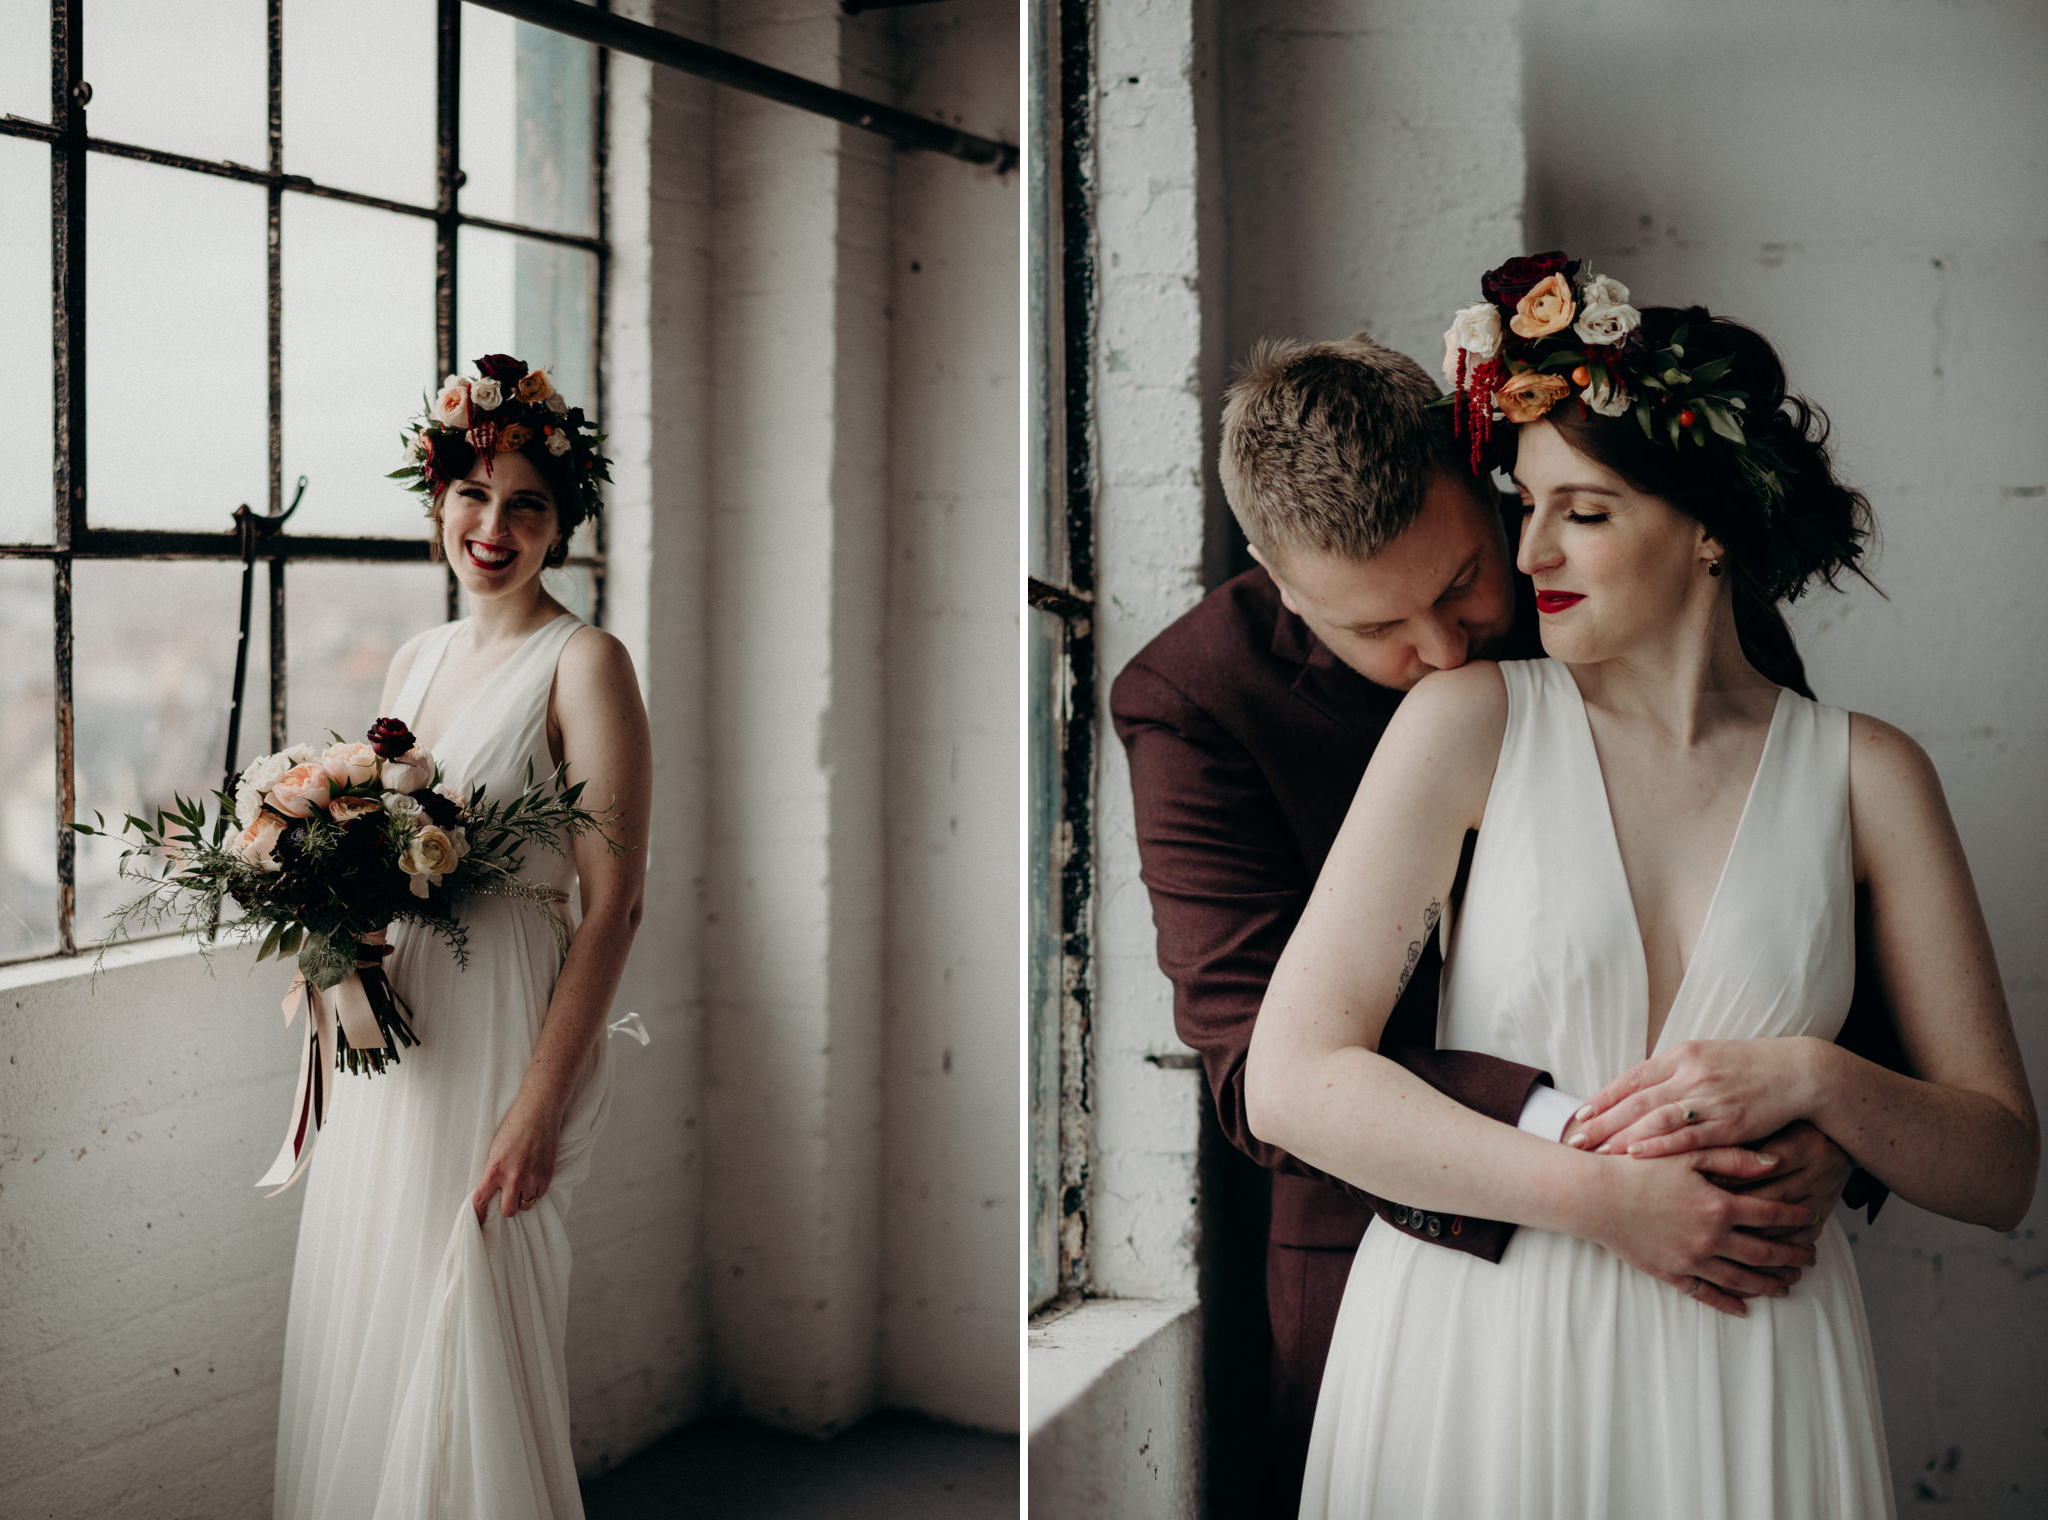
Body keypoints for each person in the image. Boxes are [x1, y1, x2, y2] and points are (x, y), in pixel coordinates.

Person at [1245, 260, 2039, 1517]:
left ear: (1706, 523)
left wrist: (1818, 1080)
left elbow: (1999, 1165)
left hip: (1753, 1357)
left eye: (1586, 511)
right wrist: (1615, 1200)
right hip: (1481, 1340)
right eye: (1526, 504)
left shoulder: (1868, 776)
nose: (1529, 548)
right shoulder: (1467, 724)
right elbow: (1289, 1077)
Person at [1111, 330, 1892, 1515]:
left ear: (1484, 488)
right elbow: (1250, 1063)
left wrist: (1828, 1121)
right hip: (1407, 1255)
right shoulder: (1192, 701)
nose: (1434, 651)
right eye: (1372, 629)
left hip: (1732, 1259)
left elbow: (1797, 899)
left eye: (1458, 583)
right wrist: (1588, 1148)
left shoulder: (1628, 589)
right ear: (1275, 577)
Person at [275, 356, 652, 1520]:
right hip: (402, 1037)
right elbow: (388, 852)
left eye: (527, 502)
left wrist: (539, 1101)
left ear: (560, 522)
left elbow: (615, 901)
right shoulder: (417, 661)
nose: (495, 526)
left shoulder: (585, 663)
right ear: (438, 497)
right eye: (474, 496)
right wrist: (329, 930)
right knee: (378, 1312)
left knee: (476, 1323)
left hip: (504, 1034)